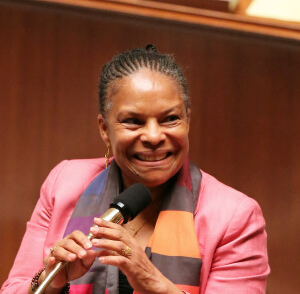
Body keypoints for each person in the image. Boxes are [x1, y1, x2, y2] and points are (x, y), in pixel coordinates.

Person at [1, 45, 270, 294]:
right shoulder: (64, 183)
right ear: (105, 129)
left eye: (171, 118)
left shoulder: (235, 217)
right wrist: (49, 282)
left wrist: (155, 284)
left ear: (188, 120)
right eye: (133, 121)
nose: (153, 136)